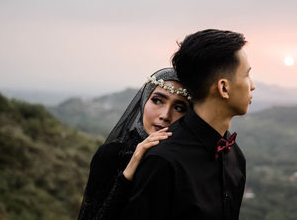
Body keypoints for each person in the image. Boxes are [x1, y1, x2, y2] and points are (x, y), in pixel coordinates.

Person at [123, 29, 256, 220]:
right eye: (247, 75)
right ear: (224, 87)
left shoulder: (235, 156)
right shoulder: (163, 161)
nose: (252, 85)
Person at [78, 68, 191, 220]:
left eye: (179, 108)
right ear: (144, 101)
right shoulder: (111, 154)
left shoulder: (189, 164)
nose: (165, 115)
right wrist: (128, 172)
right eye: (157, 101)